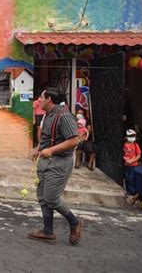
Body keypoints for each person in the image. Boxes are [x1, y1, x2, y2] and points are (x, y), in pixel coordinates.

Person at [29, 88, 83, 246]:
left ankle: (74, 223)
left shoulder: (64, 116)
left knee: (51, 198)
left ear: (49, 99)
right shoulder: (48, 115)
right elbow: (47, 137)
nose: (39, 100)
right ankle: (48, 231)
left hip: (60, 161)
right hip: (45, 161)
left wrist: (51, 150)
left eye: (41, 97)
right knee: (43, 197)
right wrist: (38, 148)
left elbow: (74, 140)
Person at [123, 129, 141, 198]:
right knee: (127, 178)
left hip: (133, 165)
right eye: (130, 136)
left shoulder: (136, 145)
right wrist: (125, 159)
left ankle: (132, 192)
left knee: (132, 178)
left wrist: (132, 160)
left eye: (133, 136)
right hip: (126, 165)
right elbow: (122, 153)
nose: (132, 137)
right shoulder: (124, 145)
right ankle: (128, 191)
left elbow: (139, 155)